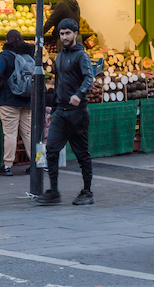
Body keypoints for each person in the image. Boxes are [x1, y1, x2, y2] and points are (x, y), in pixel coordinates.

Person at [36, 19, 94, 206]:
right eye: (62, 34)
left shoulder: (82, 56)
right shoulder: (59, 57)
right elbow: (58, 83)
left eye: (68, 33)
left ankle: (87, 191)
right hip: (60, 113)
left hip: (77, 114)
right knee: (51, 150)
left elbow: (89, 78)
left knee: (82, 154)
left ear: (75, 34)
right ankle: (53, 191)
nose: (65, 37)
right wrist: (52, 109)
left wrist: (79, 94)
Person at [0, 29, 34, 176]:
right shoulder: (28, 54)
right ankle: (36, 164)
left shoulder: (5, 55)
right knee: (28, 133)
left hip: (8, 100)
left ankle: (8, 166)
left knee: (10, 133)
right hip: (27, 100)